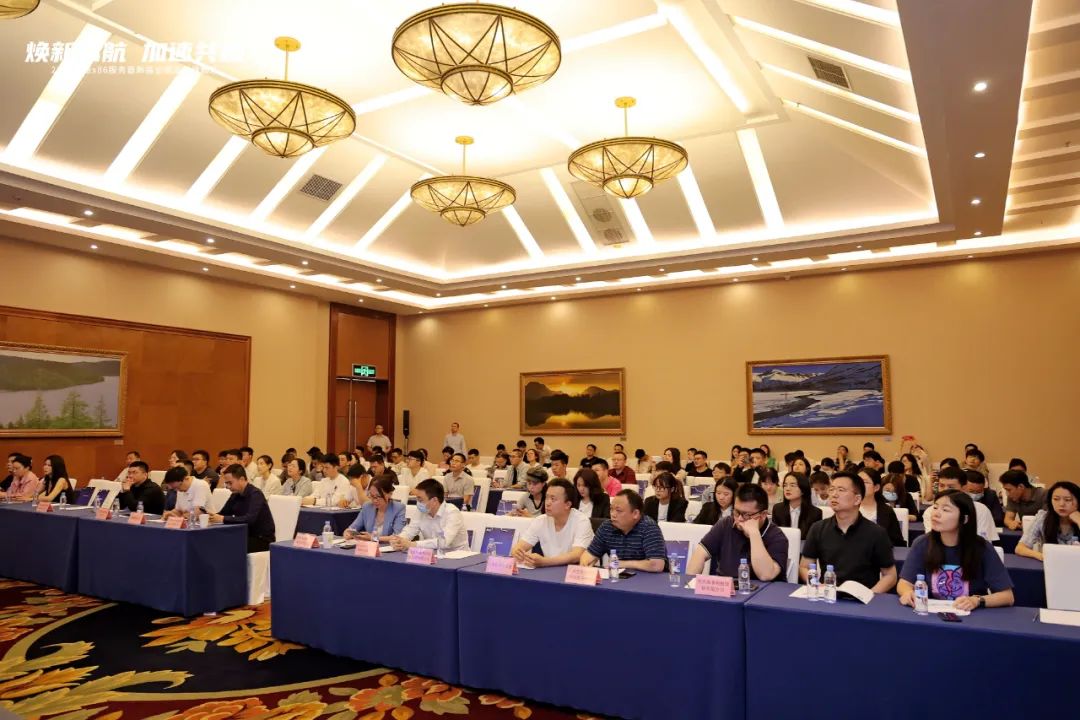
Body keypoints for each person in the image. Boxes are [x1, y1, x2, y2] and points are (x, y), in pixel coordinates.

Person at [899, 490, 1014, 610]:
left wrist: (977, 600)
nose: (936, 514)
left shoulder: (982, 547)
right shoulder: (922, 543)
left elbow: (1007, 596)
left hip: (971, 615)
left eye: (945, 510)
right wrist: (907, 592)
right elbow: (904, 583)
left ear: (964, 519)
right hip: (930, 612)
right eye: (935, 507)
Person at [800, 472, 897, 593]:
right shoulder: (817, 528)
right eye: (832, 489)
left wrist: (870, 595)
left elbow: (890, 575)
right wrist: (817, 585)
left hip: (862, 598)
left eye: (841, 490)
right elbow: (804, 567)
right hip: (828, 594)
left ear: (857, 499)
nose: (834, 494)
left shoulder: (877, 533)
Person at [687, 483, 787, 580]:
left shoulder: (777, 537)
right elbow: (699, 554)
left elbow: (766, 575)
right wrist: (690, 582)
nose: (739, 519)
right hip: (726, 587)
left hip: (763, 590)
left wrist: (754, 533)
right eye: (736, 512)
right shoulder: (725, 524)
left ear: (763, 515)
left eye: (746, 515)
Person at [511, 479, 594, 567]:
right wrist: (517, 551)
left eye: (553, 499)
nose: (547, 503)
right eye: (547, 497)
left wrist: (545, 562)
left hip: (575, 571)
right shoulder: (541, 520)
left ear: (567, 504)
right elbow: (520, 546)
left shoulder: (581, 521)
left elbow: (577, 555)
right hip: (549, 570)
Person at [580, 490, 667, 572]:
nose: (613, 514)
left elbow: (657, 565)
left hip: (646, 580)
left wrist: (621, 564)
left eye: (618, 510)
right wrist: (586, 563)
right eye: (611, 509)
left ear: (635, 514)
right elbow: (588, 556)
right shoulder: (606, 527)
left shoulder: (649, 528)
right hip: (616, 578)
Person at [209, 464, 276, 552]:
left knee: (227, 545)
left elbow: (250, 519)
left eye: (230, 483)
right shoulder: (235, 495)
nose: (228, 487)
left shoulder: (256, 494)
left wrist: (223, 519)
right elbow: (223, 514)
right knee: (215, 539)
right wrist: (211, 517)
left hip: (261, 539)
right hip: (243, 535)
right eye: (226, 483)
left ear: (241, 479)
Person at [389, 478, 468, 552]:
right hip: (431, 554)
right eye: (417, 498)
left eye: (420, 499)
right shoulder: (421, 511)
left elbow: (444, 542)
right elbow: (410, 530)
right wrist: (399, 540)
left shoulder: (452, 512)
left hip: (457, 555)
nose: (418, 503)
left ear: (434, 500)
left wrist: (414, 544)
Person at [924, 467, 999, 541]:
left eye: (951, 487)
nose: (945, 490)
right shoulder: (930, 511)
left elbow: (983, 541)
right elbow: (933, 541)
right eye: (942, 486)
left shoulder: (981, 510)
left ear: (964, 488)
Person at [1016, 481, 1080, 561]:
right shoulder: (1043, 517)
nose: (1061, 504)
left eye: (1067, 500)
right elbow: (1020, 548)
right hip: (1050, 565)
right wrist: (1042, 556)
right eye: (1056, 499)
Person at [344, 476, 406, 542]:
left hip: (388, 547)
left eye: (378, 496)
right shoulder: (367, 507)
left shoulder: (398, 508)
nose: (374, 500)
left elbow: (397, 537)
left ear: (390, 494)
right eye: (372, 496)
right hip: (370, 546)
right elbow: (352, 528)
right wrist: (348, 532)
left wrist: (373, 538)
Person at [857, 468, 906, 547]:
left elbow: (897, 542)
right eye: (857, 481)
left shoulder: (887, 511)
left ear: (876, 487)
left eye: (865, 482)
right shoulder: (847, 509)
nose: (860, 485)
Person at [772, 472, 823, 539]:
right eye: (785, 485)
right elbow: (774, 535)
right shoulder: (777, 509)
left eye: (792, 485)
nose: (787, 489)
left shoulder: (815, 513)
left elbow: (815, 539)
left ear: (803, 489)